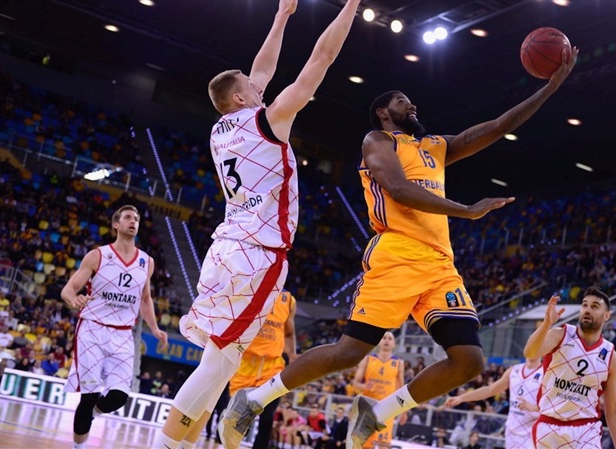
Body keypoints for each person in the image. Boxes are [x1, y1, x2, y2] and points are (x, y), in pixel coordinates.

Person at [222, 37, 578, 449]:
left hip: (440, 263)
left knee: (469, 360)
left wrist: (550, 87)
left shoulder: (436, 147)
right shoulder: (378, 141)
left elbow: (498, 127)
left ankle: (378, 412)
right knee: (349, 353)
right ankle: (255, 399)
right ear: (382, 112)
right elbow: (398, 189)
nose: (412, 106)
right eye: (403, 102)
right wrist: (466, 210)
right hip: (396, 253)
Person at [149, 0, 363, 447]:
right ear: (241, 98)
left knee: (222, 361)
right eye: (251, 86)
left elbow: (259, 71)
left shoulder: (221, 128)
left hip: (226, 248)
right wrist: (351, 6)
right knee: (219, 362)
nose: (259, 85)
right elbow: (321, 58)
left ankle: (183, 443)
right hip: (257, 255)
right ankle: (164, 444)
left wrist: (282, 16)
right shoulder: (270, 121)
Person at [61, 205, 169, 449]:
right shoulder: (97, 256)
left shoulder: (147, 262)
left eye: (137, 219)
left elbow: (145, 299)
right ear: (116, 224)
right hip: (92, 329)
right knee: (89, 395)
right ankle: (79, 445)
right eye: (128, 217)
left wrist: (154, 328)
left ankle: (89, 414)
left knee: (119, 397)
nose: (133, 221)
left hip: (123, 334)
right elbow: (68, 289)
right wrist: (73, 299)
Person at [523, 289, 616, 449]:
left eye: (594, 306)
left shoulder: (612, 357)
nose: (587, 310)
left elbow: (612, 408)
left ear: (606, 316)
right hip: (549, 428)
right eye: (584, 305)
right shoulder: (560, 335)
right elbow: (530, 352)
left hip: (586, 429)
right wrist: (546, 324)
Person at [228, 290, 297, 449]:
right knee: (236, 418)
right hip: (245, 364)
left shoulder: (288, 300)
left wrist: (292, 355)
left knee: (267, 417)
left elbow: (289, 333)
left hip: (272, 366)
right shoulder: (250, 289)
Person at [444, 357, 543, 448]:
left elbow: (552, 407)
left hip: (532, 432)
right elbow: (489, 390)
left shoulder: (546, 373)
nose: (532, 348)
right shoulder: (513, 370)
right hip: (511, 431)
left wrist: (534, 407)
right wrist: (461, 398)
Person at [351, 331, 404, 449]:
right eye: (384, 338)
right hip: (368, 407)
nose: (386, 340)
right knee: (363, 445)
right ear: (379, 342)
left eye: (390, 338)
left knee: (383, 445)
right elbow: (355, 384)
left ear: (394, 344)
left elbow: (402, 390)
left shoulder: (398, 363)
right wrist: (364, 386)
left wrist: (404, 411)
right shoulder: (367, 359)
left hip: (387, 408)